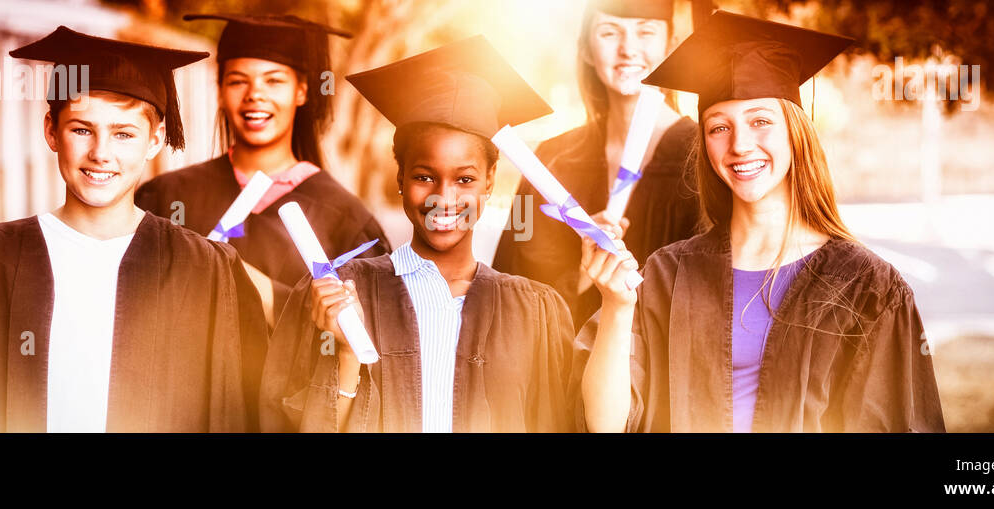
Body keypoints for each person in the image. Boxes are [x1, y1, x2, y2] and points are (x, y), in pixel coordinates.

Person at [0, 27, 268, 433]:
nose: (101, 153)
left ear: (156, 140)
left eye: (124, 134)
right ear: (52, 130)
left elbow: (240, 412)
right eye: (81, 129)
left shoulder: (204, 269)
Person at [576, 11, 946, 433]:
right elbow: (605, 425)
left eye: (760, 121)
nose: (740, 145)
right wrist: (617, 306)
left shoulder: (868, 288)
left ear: (795, 131)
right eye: (719, 127)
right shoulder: (667, 275)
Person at [262, 36, 576, 433]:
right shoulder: (340, 292)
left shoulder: (535, 311)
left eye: (465, 179)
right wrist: (346, 354)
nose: (444, 198)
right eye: (424, 176)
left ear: (489, 182)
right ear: (400, 178)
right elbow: (285, 424)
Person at [136, 13, 389, 326]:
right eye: (238, 81)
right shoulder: (167, 197)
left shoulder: (346, 220)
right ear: (220, 90)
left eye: (274, 80)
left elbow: (364, 337)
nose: (254, 94)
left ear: (302, 90)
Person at [492, 0, 703, 329]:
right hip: (558, 369)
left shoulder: (703, 159)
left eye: (645, 32)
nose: (628, 49)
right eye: (609, 32)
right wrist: (579, 272)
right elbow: (510, 259)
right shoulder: (546, 159)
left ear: (670, 46)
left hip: (664, 373)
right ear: (587, 49)